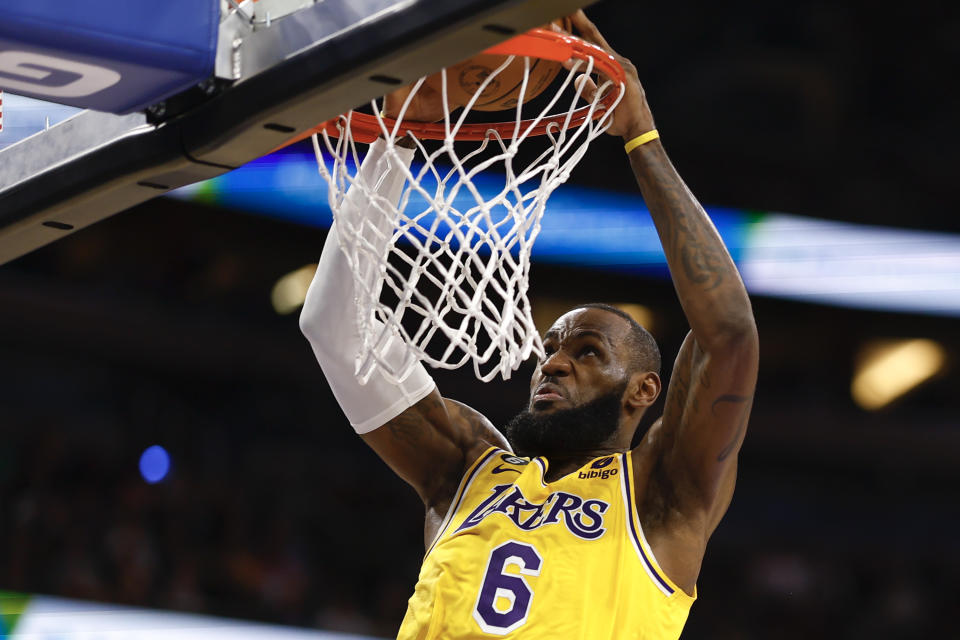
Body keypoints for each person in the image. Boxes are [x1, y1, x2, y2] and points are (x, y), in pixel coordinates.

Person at [299, 10, 758, 639]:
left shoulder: (662, 496)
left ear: (643, 390)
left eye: (590, 352)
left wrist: (639, 135)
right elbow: (335, 328)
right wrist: (399, 137)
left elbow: (728, 335)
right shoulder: (466, 468)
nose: (555, 361)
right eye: (552, 348)